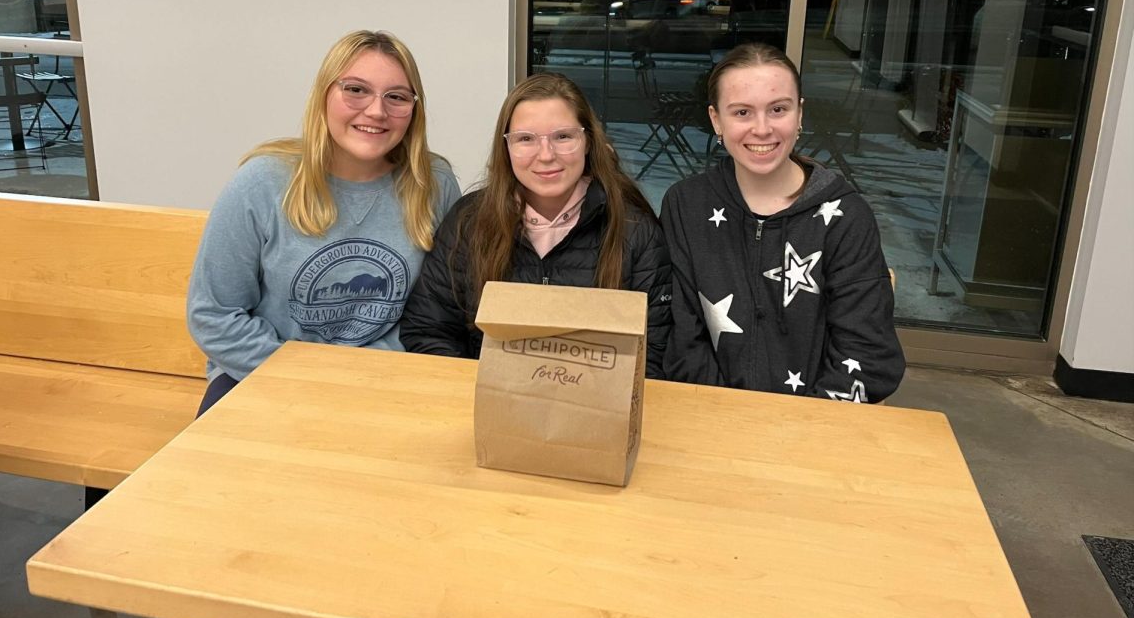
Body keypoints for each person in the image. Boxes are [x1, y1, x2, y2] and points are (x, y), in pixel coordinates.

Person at [187, 30, 462, 415]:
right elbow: (213, 315)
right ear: (324, 95)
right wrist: (312, 377)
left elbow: (440, 310)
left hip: (385, 380)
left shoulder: (434, 184)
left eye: (396, 96)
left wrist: (363, 379)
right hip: (261, 374)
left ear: (414, 109)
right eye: (356, 90)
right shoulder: (262, 183)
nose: (376, 111)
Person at [660, 43, 904, 401]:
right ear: (716, 120)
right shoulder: (686, 205)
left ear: (800, 113)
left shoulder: (845, 217)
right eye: (742, 112)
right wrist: (724, 416)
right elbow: (679, 336)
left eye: (778, 109)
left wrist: (799, 428)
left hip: (816, 428)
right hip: (710, 421)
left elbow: (868, 354)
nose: (762, 129)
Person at [400, 73, 672, 378]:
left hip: (596, 415)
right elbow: (429, 330)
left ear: (588, 142)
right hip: (486, 406)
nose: (546, 155)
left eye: (563, 136)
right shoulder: (469, 221)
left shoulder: (636, 230)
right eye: (525, 139)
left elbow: (653, 355)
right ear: (506, 147)